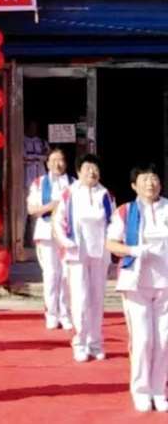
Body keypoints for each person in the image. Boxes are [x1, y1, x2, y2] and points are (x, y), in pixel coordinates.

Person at [106, 164, 168, 413]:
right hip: (136, 283)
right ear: (134, 186)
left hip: (165, 283)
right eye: (144, 179)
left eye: (154, 179)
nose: (150, 184)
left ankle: (159, 390)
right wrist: (133, 250)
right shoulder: (125, 211)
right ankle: (141, 390)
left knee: (164, 341)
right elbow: (111, 243)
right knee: (143, 340)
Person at [53, 153, 114, 363]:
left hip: (99, 253)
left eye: (95, 169)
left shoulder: (105, 194)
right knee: (80, 299)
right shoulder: (69, 193)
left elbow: (113, 222)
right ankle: (80, 343)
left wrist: (112, 247)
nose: (92, 172)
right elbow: (58, 221)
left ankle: (95, 343)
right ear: (79, 172)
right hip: (76, 253)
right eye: (87, 168)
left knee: (96, 299)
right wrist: (65, 241)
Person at [27, 148, 74, 330]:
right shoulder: (39, 183)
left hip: (68, 234)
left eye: (60, 160)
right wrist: (51, 206)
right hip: (46, 232)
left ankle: (65, 313)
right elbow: (32, 209)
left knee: (66, 274)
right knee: (51, 274)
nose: (57, 164)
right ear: (47, 163)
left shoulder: (74, 183)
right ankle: (51, 313)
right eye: (53, 160)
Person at [24, 120, 49, 189]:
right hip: (28, 171)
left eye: (35, 127)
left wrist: (33, 157)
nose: (33, 129)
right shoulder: (22, 141)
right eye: (31, 127)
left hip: (41, 170)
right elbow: (24, 157)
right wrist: (39, 157)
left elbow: (47, 156)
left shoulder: (42, 142)